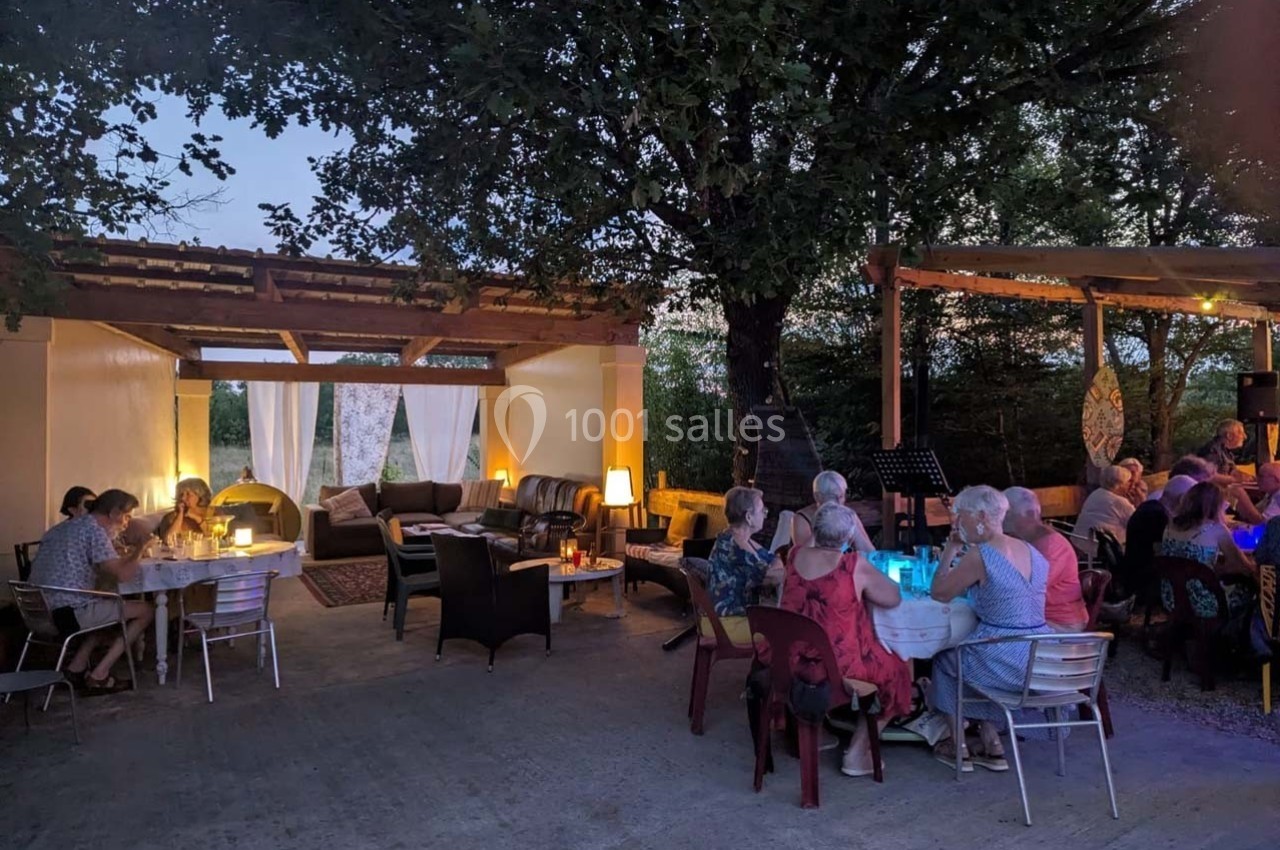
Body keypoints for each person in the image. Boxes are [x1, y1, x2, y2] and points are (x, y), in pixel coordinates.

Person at [773, 504, 911, 777]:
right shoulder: (852, 566)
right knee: (898, 671)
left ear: (814, 531)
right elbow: (892, 596)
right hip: (836, 666)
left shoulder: (794, 555)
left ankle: (826, 728)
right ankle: (858, 752)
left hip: (788, 656)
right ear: (849, 537)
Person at [928, 485, 1048, 772]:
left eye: (960, 514)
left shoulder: (982, 555)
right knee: (974, 659)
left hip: (1006, 658)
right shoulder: (1032, 551)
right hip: (1042, 656)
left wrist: (951, 549)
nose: (956, 521)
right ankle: (992, 743)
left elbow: (940, 592)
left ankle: (958, 748)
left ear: (981, 515)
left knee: (946, 660)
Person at [26, 489, 155, 693]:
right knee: (146, 610)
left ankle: (75, 669)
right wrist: (140, 548)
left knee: (104, 607)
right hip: (66, 614)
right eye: (127, 516)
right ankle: (99, 675)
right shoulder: (94, 530)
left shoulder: (58, 529)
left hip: (36, 612)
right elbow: (123, 575)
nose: (127, 523)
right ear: (113, 513)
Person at [1160, 481, 1256, 620]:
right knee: (1250, 589)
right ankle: (1237, 636)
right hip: (1205, 604)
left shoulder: (1169, 526)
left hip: (1171, 599)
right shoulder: (1216, 529)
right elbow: (1243, 567)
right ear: (1217, 505)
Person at [704, 487, 784, 643]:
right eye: (762, 511)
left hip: (725, 617)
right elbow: (773, 578)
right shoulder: (737, 546)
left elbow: (773, 557)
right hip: (727, 623)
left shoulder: (734, 536)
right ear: (749, 517)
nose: (765, 515)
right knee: (787, 629)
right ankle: (770, 666)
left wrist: (777, 567)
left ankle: (764, 665)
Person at [1003, 487, 1087, 631]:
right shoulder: (1027, 540)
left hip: (1060, 623)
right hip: (1036, 616)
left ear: (1030, 515)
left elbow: (1026, 588)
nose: (1003, 523)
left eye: (1008, 516)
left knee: (988, 631)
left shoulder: (1052, 547)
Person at [1122, 474, 1198, 602]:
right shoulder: (1157, 516)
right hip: (1146, 581)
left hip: (1137, 574)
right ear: (1181, 499)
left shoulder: (1151, 506)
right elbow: (1163, 555)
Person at [790, 470, 874, 554]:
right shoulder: (802, 518)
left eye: (841, 496)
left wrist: (852, 526)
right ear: (817, 496)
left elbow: (870, 553)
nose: (837, 501)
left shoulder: (848, 514)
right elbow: (802, 556)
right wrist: (821, 526)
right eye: (832, 497)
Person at [1072, 465, 1136, 552]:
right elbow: (1138, 524)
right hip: (1102, 549)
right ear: (1119, 484)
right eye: (1128, 482)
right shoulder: (1118, 502)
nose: (1131, 485)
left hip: (1081, 543)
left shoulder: (1096, 494)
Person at [155, 477, 213, 544]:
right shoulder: (170, 517)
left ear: (200, 497)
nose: (183, 498)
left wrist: (197, 518)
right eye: (181, 495)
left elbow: (215, 538)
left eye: (188, 494)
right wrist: (180, 515)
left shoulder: (212, 514)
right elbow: (168, 541)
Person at [1225, 461, 1280, 526]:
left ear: (1277, 479)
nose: (1257, 479)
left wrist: (1242, 497)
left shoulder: (1278, 496)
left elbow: (1262, 523)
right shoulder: (1269, 494)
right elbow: (1255, 513)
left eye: (1261, 476)